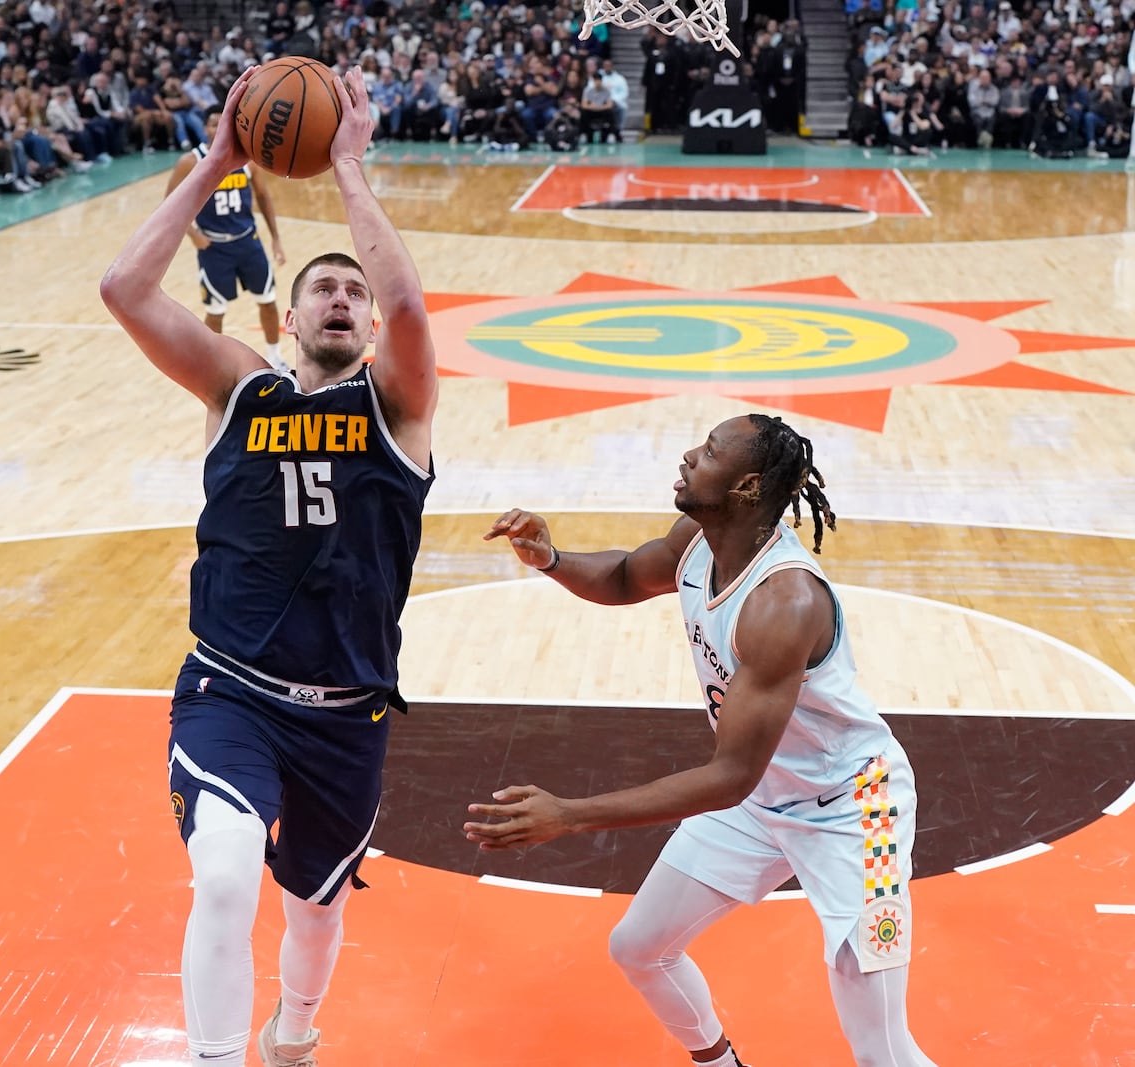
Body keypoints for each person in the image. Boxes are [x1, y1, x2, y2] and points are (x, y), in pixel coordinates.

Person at [101, 67, 437, 1067]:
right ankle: (214, 1056)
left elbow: (411, 299)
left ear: (367, 325)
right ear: (286, 322)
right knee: (223, 877)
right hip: (232, 690)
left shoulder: (398, 409)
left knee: (315, 906)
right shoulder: (236, 388)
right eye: (319, 290)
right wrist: (214, 161)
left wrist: (347, 168)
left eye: (351, 292)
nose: (339, 297)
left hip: (346, 709)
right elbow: (123, 289)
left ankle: (294, 1026)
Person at [469, 415, 937, 1067]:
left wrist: (570, 814)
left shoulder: (785, 602)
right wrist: (551, 559)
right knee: (638, 946)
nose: (689, 455)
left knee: (882, 1049)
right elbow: (629, 576)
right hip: (766, 796)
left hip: (860, 810)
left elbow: (728, 777)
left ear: (746, 486)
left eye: (710, 450)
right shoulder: (697, 539)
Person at [166, 107, 287, 369]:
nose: (217, 128)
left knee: (267, 301)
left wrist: (276, 238)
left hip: (247, 241)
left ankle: (275, 356)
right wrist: (192, 233)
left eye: (222, 123)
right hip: (214, 247)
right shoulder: (191, 161)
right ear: (205, 128)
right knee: (216, 311)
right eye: (212, 124)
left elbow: (264, 197)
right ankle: (213, 365)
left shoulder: (246, 160)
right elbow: (170, 202)